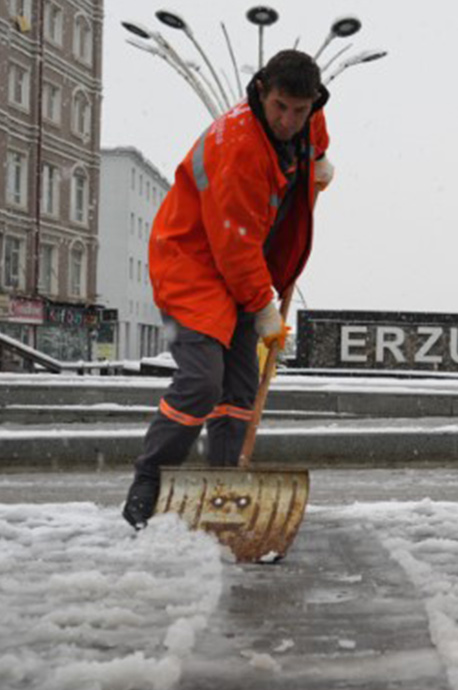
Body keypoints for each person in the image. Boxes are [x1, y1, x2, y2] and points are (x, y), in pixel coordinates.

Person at [122, 49, 334, 529]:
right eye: (280, 107)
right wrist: (263, 308)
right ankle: (149, 478)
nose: (288, 121)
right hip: (192, 263)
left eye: (300, 111)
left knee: (239, 388)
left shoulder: (308, 118)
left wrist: (319, 160)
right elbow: (233, 245)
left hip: (242, 266)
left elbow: (315, 138)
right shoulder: (237, 146)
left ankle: (224, 485)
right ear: (261, 91)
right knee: (201, 382)